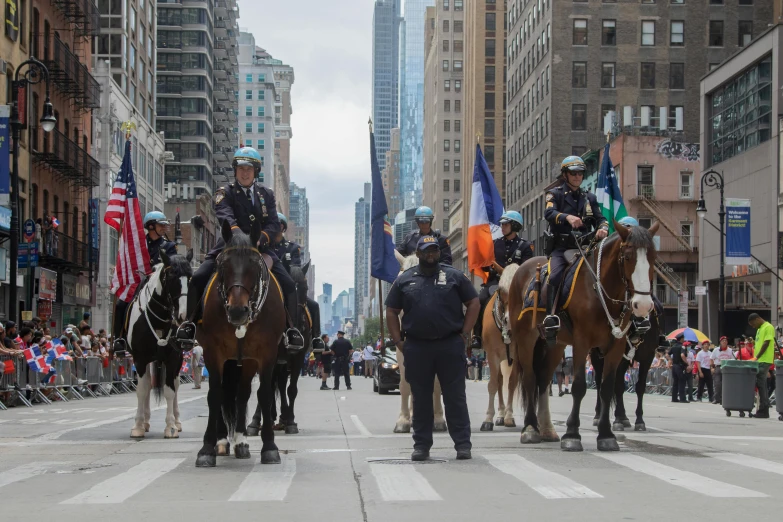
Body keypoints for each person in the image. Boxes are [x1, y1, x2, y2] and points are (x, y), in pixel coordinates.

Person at [176, 147, 304, 351]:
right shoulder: (224, 193)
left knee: (289, 284)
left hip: (259, 247)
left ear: (256, 172)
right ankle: (190, 325)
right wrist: (238, 236)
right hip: (229, 246)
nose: (245, 173)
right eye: (241, 168)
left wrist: (260, 239)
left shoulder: (266, 195)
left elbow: (272, 223)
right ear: (235, 170)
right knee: (199, 277)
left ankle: (292, 330)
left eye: (249, 169)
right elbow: (225, 216)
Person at [385, 235, 480, 461]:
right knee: (421, 398)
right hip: (417, 347)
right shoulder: (405, 280)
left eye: (434, 251)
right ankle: (421, 445)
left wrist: (465, 333)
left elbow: (473, 302)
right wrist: (398, 341)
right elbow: (391, 310)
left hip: (449, 344)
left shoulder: (455, 276)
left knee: (455, 397)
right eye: (426, 251)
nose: (430, 255)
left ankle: (463, 445)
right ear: (417, 254)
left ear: (438, 253)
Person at [542, 156, 608, 340]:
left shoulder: (590, 197)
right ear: (565, 175)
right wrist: (567, 217)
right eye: (573, 173)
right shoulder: (554, 194)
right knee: (554, 276)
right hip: (562, 248)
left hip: (585, 248)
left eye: (580, 173)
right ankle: (551, 317)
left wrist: (603, 227)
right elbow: (549, 213)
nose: (577, 176)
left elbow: (600, 218)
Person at [112, 211, 178, 357]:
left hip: (159, 285)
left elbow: (171, 266)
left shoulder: (169, 246)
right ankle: (119, 339)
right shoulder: (138, 245)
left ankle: (181, 336)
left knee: (179, 303)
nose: (164, 228)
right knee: (121, 305)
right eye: (161, 225)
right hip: (139, 284)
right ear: (150, 226)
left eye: (164, 225)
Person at [471, 210, 534, 349]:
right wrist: (486, 263)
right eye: (502, 224)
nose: (502, 227)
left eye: (506, 224)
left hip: (516, 283)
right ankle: (477, 336)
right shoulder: (494, 244)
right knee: (480, 300)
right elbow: (486, 267)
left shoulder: (525, 246)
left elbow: (526, 269)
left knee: (533, 300)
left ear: (515, 226)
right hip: (496, 281)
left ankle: (535, 332)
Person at [271, 213, 323, 349]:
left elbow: (295, 268)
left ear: (282, 227)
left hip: (287, 286)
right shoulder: (265, 245)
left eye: (276, 224)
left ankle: (315, 338)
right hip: (268, 285)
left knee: (314, 305)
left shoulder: (292, 248)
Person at [748, 313, 774, 418]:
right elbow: (760, 343)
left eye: (753, 324)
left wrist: (756, 357)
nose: (753, 327)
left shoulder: (768, 327)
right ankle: (763, 408)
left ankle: (764, 409)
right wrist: (753, 342)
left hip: (764, 360)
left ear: (758, 319)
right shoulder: (759, 329)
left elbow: (766, 343)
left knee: (761, 384)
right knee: (760, 384)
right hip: (759, 360)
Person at [711, 336, 734, 405]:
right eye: (723, 340)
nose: (724, 342)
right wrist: (712, 368)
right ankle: (716, 398)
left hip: (727, 368)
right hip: (718, 367)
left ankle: (723, 399)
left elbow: (733, 359)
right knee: (717, 383)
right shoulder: (716, 350)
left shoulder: (730, 350)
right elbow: (711, 359)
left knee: (725, 384)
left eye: (726, 340)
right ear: (720, 342)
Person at [669, 333, 688, 403]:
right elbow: (683, 355)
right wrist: (687, 363)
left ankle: (674, 398)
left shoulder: (673, 346)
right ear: (681, 339)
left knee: (675, 382)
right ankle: (682, 398)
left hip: (674, 366)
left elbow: (667, 354)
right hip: (680, 366)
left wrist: (670, 360)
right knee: (682, 382)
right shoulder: (682, 346)